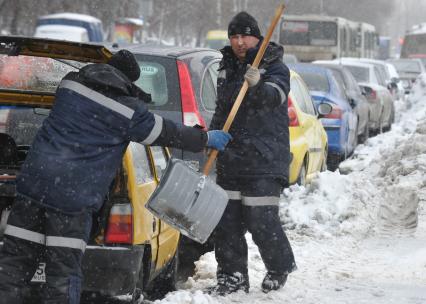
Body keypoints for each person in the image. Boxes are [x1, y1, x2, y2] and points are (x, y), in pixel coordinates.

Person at [0, 49, 232, 304]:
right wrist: (205, 138)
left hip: (33, 187)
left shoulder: (70, 85)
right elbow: (165, 132)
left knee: (13, 266)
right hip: (70, 199)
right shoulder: (126, 111)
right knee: (62, 276)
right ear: (128, 81)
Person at [207, 11, 297, 295]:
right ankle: (232, 276)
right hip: (232, 157)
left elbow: (274, 98)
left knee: (261, 220)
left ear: (257, 37)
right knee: (227, 222)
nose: (239, 42)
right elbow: (223, 109)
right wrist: (212, 136)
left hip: (265, 158)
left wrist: (258, 84)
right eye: (234, 36)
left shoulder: (276, 68)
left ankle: (279, 266)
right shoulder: (227, 67)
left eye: (244, 35)